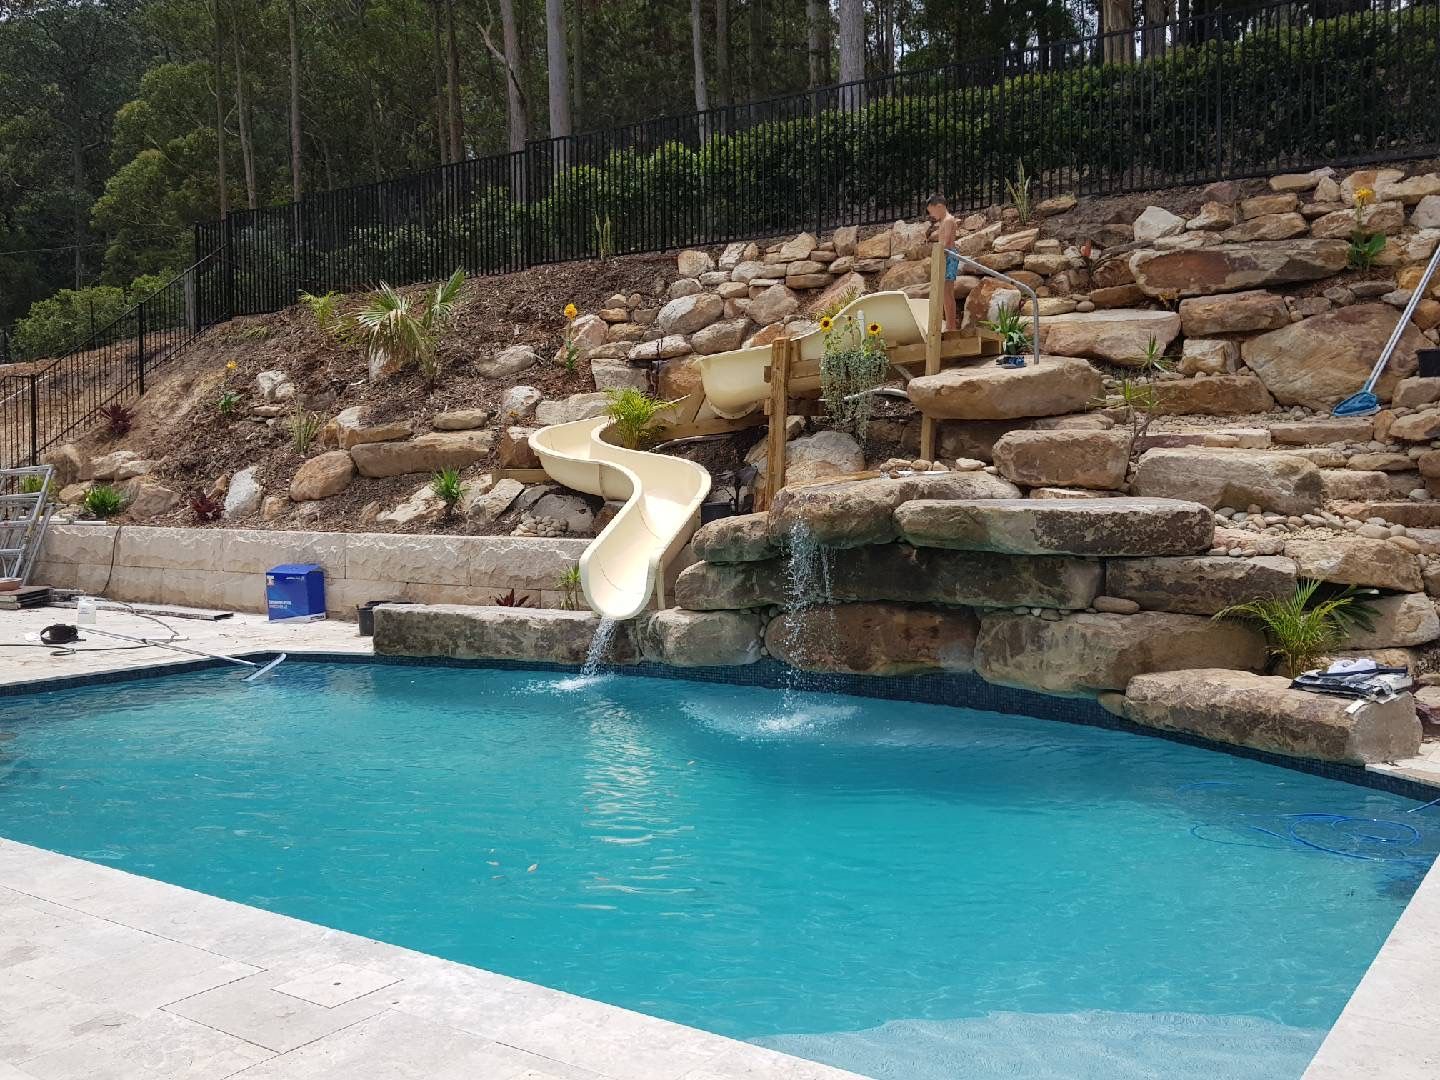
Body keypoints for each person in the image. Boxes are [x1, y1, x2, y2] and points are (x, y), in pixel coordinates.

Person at [926, 194, 960, 331]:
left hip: (948, 256)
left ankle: (951, 326)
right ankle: (949, 325)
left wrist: (940, 255)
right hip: (945, 256)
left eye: (931, 211)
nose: (931, 215)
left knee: (947, 292)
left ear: (939, 206)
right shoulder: (944, 221)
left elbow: (945, 243)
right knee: (945, 293)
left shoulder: (948, 220)